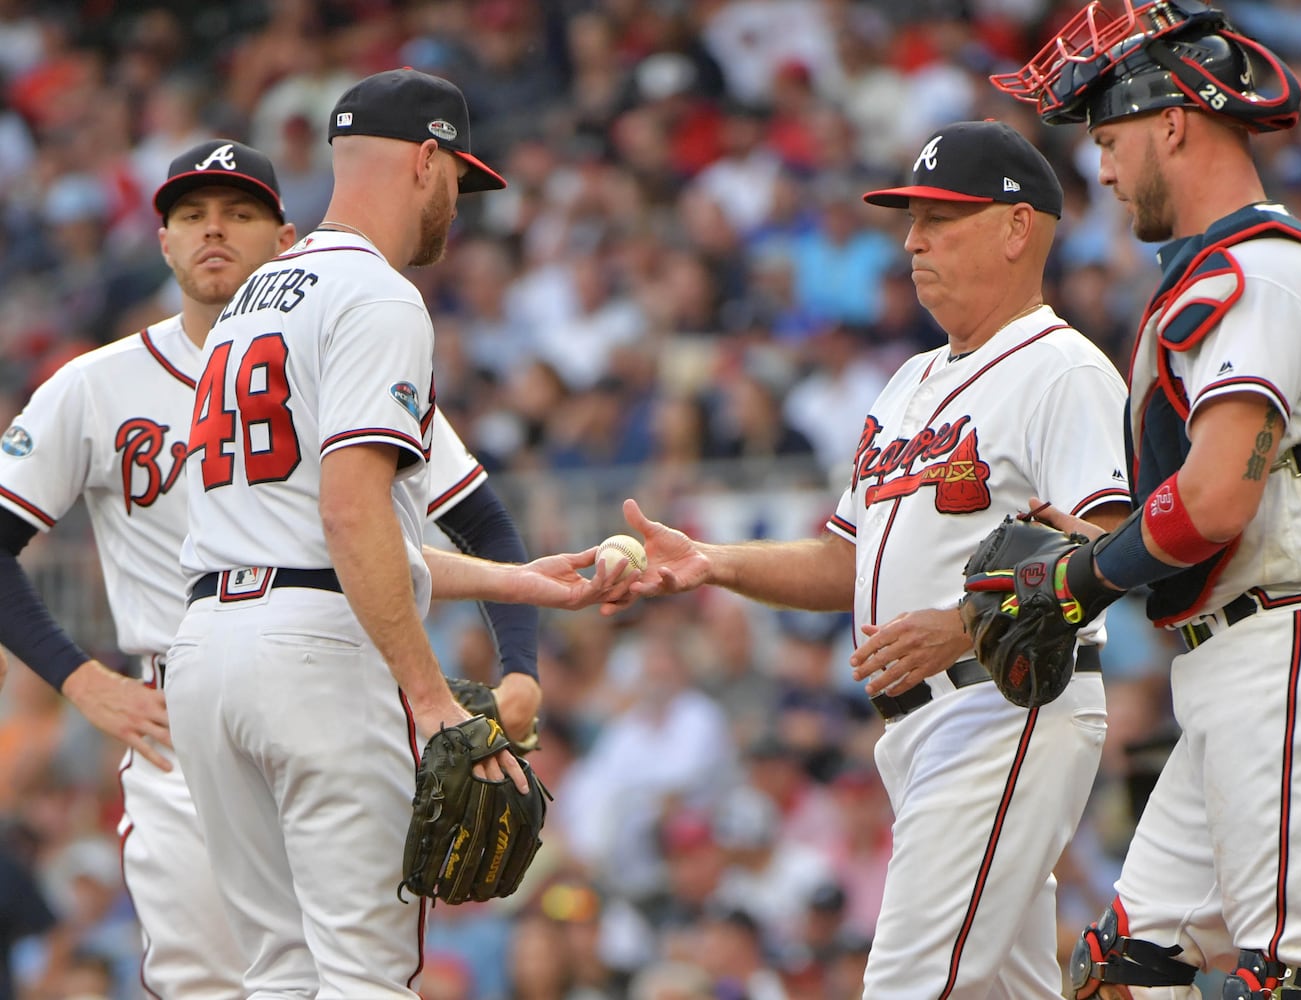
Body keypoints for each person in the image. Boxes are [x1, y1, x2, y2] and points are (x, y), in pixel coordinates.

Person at [0, 137, 555, 996]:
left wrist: (519, 655)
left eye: (240, 213)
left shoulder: (326, 341)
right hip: (181, 709)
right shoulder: (95, 385)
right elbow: (363, 526)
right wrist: (80, 680)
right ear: (162, 242)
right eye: (190, 216)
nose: (213, 231)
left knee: (291, 976)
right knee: (245, 982)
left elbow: (473, 523)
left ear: (287, 238)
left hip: (280, 669)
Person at [617, 120, 1132, 997]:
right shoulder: (908, 383)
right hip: (921, 730)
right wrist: (713, 562)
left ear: (1017, 229)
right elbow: (841, 562)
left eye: (941, 218)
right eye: (911, 220)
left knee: (903, 985)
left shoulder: (1063, 371)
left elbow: (1109, 548)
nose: (912, 240)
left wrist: (966, 624)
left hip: (1006, 706)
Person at [990, 3, 1301, 996]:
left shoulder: (1258, 273)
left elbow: (1214, 502)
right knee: (1120, 963)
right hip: (1258, 649)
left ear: (1174, 122)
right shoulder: (1229, 270)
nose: (1100, 168)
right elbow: (1214, 498)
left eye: (1109, 138)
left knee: (1289, 977)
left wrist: (1081, 581)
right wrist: (1089, 544)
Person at [164, 71, 620, 997]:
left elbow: (317, 531)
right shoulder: (378, 295)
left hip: (206, 653)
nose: (458, 202)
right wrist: (429, 695)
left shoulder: (245, 304)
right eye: (458, 176)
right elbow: (347, 515)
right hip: (316, 657)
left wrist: (522, 582)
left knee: (277, 974)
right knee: (365, 975)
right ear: (426, 159)